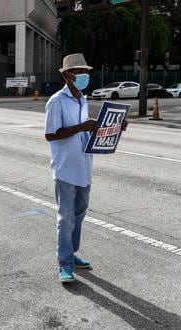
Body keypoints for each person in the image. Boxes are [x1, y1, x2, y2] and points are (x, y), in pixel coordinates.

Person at [44, 53, 127, 283]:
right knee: (66, 218)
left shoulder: (81, 99)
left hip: (84, 166)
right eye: (81, 72)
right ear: (68, 75)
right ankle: (65, 264)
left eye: (86, 72)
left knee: (79, 215)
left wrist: (115, 126)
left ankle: (71, 253)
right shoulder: (56, 101)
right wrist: (82, 126)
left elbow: (87, 131)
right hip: (65, 169)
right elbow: (51, 134)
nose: (86, 76)